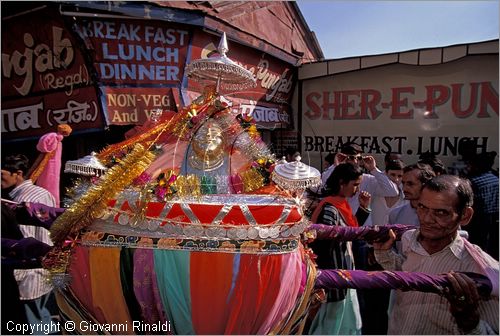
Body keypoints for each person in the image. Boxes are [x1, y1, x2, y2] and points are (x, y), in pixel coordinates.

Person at [373, 175, 499, 334]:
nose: (426, 219)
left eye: (440, 212)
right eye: (422, 207)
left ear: (465, 215)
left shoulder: (484, 272)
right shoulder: (409, 239)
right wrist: (384, 254)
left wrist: (470, 321)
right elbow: (407, 275)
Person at [307, 163, 371, 335]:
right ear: (342, 183)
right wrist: (328, 281)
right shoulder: (330, 209)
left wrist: (364, 208)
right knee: (332, 324)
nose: (357, 189)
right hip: (335, 277)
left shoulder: (341, 206)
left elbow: (351, 232)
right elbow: (323, 244)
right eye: (355, 184)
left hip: (344, 274)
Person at [1, 154, 58, 328]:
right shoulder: (14, 198)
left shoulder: (33, 197)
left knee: (41, 328)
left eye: (1, 175)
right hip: (23, 275)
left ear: (17, 173)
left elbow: (32, 238)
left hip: (33, 277)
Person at [464, 151, 499, 259]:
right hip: (495, 218)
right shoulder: (496, 179)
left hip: (479, 218)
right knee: (491, 247)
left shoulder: (474, 182)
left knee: (476, 245)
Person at [371, 159, 406, 226]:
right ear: (386, 174)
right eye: (393, 175)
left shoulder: (406, 200)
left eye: (400, 176)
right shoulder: (374, 192)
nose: (396, 179)